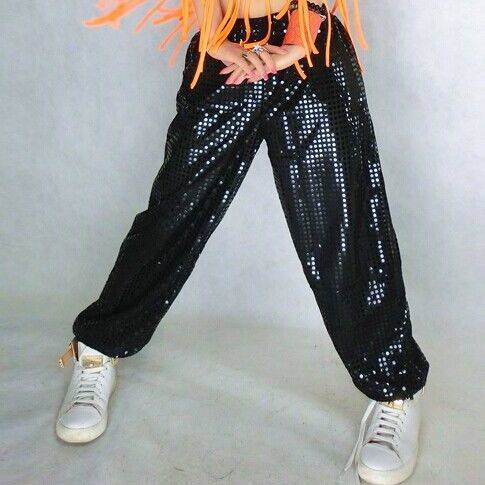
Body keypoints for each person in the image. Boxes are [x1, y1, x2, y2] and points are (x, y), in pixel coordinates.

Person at [55, 1, 429, 483]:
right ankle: (97, 346)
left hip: (309, 49)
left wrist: (296, 43)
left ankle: (393, 389)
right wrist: (215, 39)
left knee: (341, 223)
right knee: (174, 213)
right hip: (226, 44)